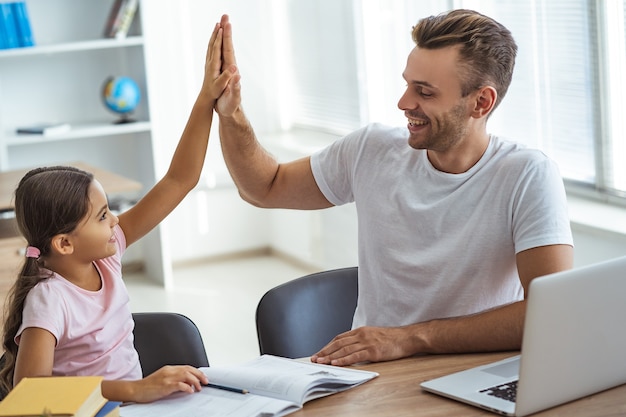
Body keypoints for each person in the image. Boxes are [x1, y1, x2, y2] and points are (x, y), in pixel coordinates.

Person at [214, 10, 574, 366]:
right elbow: (264, 187)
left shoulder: (527, 175)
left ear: (481, 102)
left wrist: (411, 338)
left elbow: (552, 314)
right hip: (376, 375)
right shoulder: (371, 150)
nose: (404, 103)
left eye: (425, 92)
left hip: (474, 372)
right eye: (407, 84)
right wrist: (232, 113)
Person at [0, 20, 238, 402]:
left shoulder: (105, 259)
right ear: (64, 243)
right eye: (101, 215)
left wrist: (205, 99)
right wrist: (134, 389)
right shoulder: (50, 298)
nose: (115, 220)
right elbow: (29, 395)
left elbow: (180, 180)